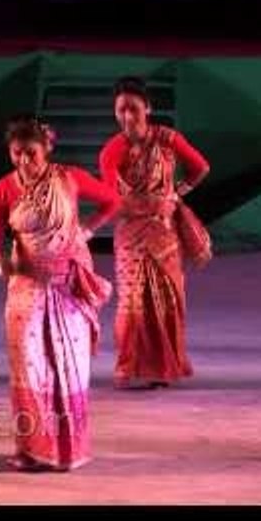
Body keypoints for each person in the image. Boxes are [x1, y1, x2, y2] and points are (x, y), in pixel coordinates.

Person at [0, 116, 119, 472]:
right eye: (16, 153)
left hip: (67, 287)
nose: (24, 161)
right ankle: (31, 449)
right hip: (26, 290)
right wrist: (2, 267)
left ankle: (67, 451)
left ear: (47, 149)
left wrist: (85, 232)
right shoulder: (4, 189)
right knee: (30, 371)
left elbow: (112, 201)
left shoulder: (69, 178)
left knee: (68, 372)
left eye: (31, 153)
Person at [99, 77, 212, 390]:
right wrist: (150, 203)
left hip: (164, 236)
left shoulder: (167, 139)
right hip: (131, 236)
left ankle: (163, 367)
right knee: (132, 304)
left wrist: (177, 193)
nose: (127, 116)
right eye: (121, 110)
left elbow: (201, 167)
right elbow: (113, 200)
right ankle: (130, 366)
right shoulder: (112, 151)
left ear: (147, 108)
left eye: (133, 109)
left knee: (167, 302)